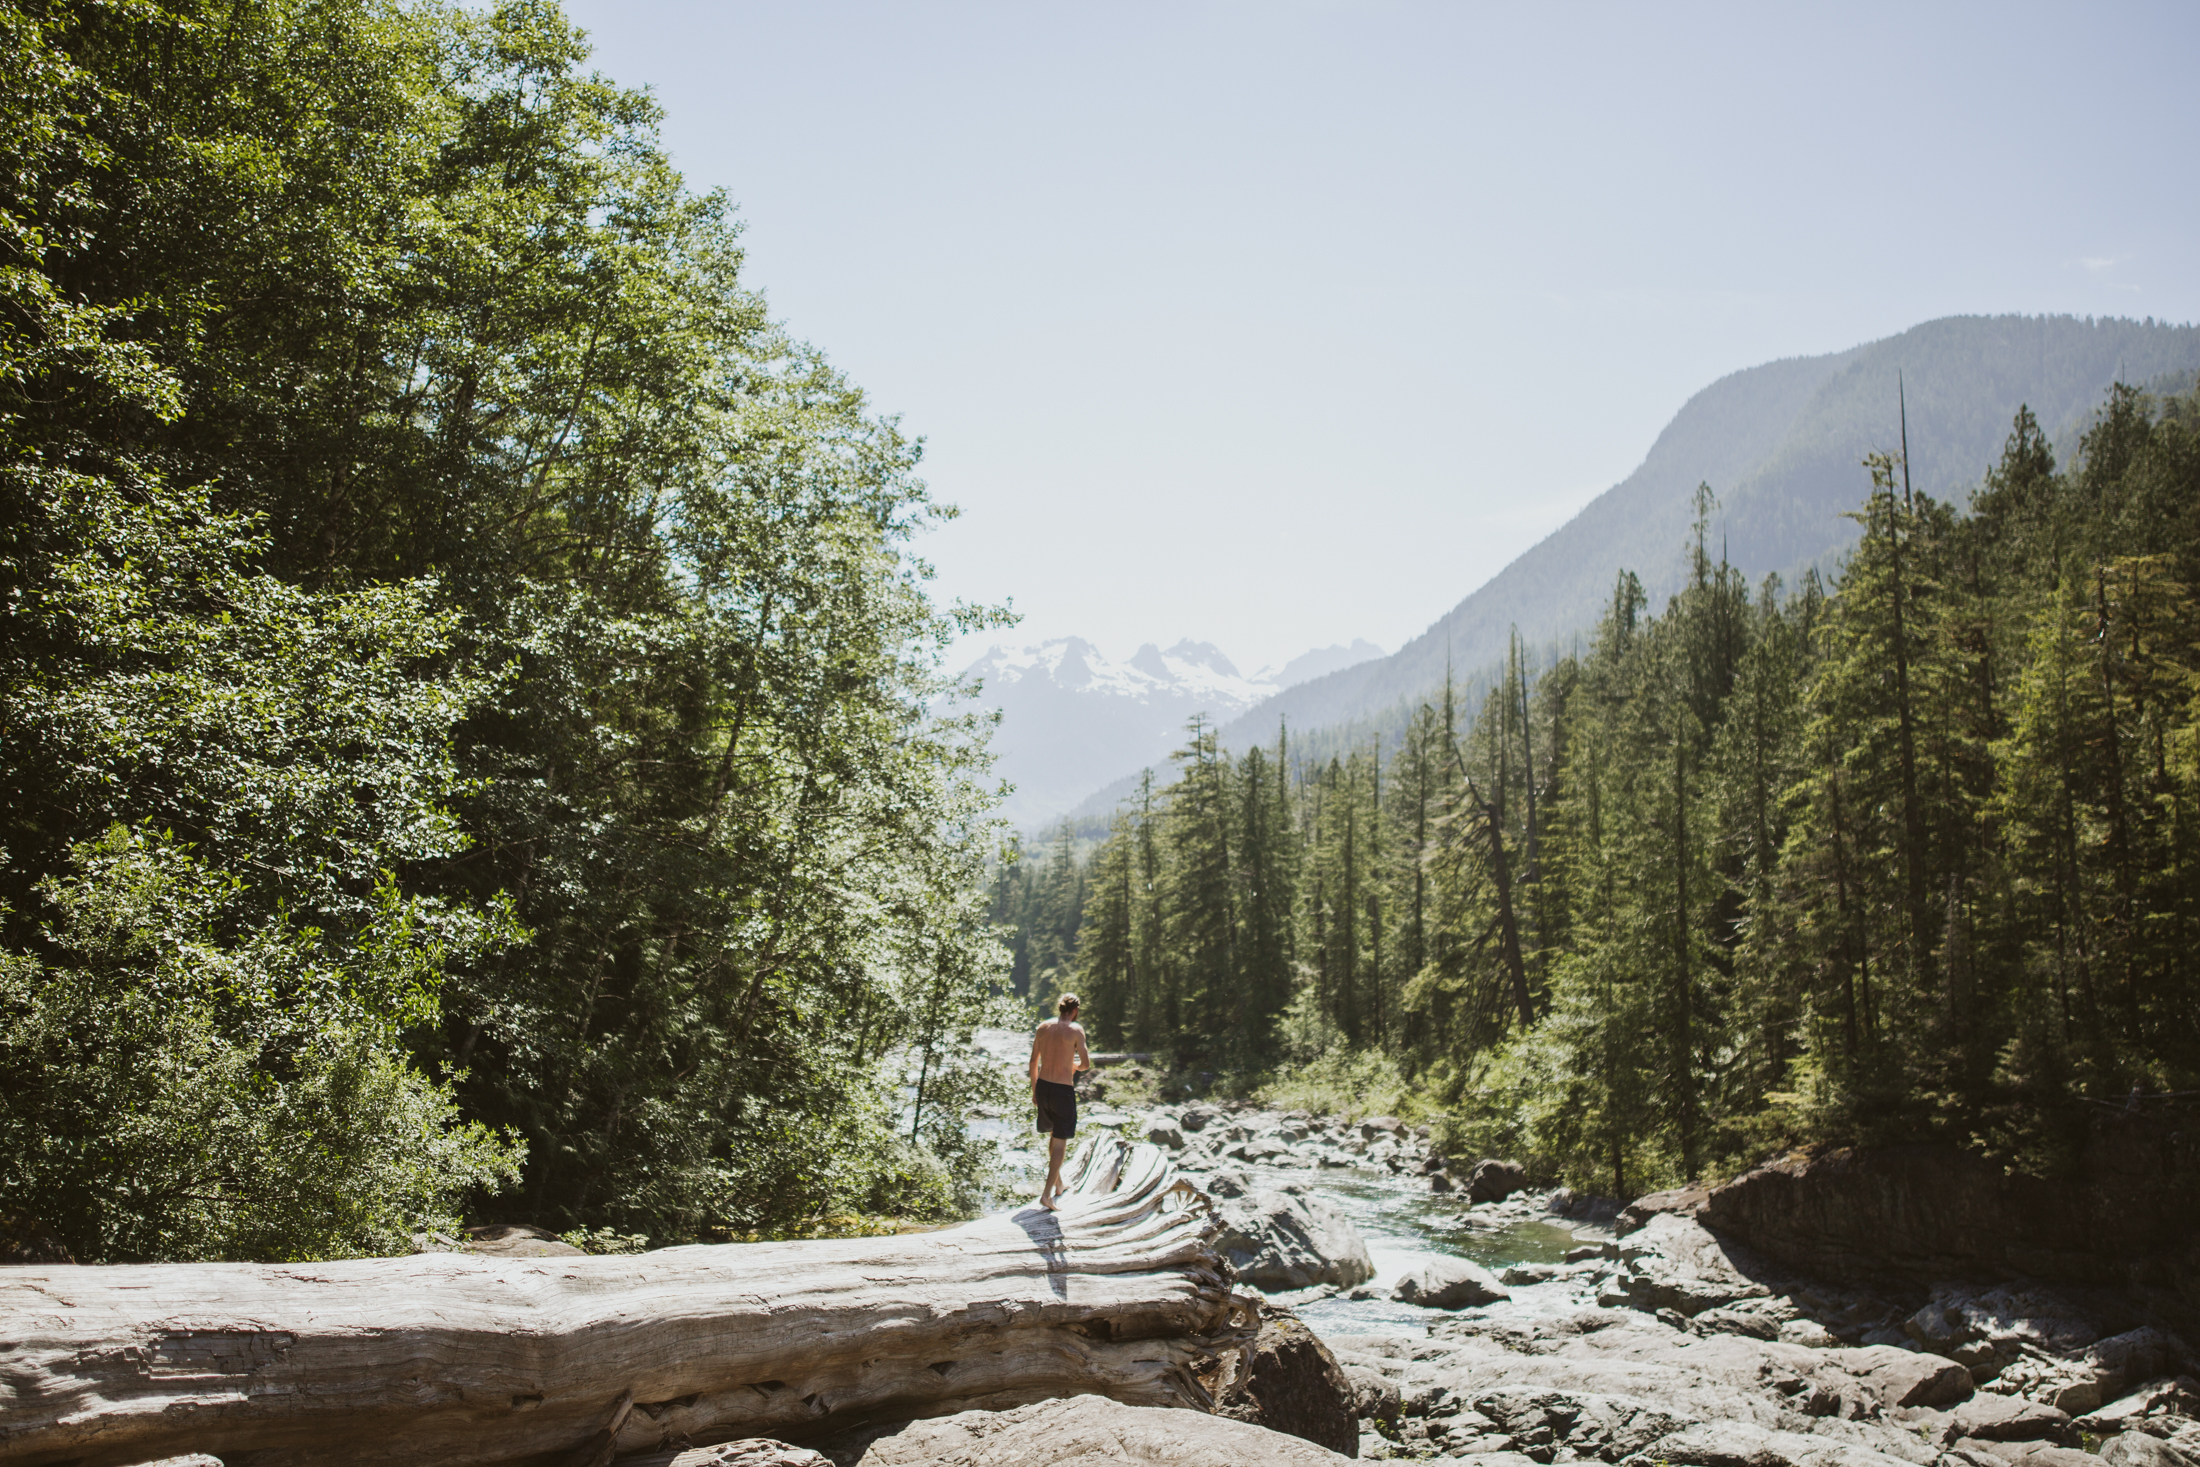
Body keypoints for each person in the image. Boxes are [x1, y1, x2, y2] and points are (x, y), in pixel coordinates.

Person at [1028, 992, 1092, 1211]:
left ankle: (1058, 1184)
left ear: (1060, 1009)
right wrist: (1073, 1066)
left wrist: (1035, 1090)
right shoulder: (1076, 1030)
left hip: (1044, 1087)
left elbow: (1033, 1061)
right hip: (1062, 1091)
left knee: (1054, 1135)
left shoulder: (1043, 1027)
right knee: (1061, 1143)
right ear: (1075, 1011)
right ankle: (1046, 1196)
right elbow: (1085, 1064)